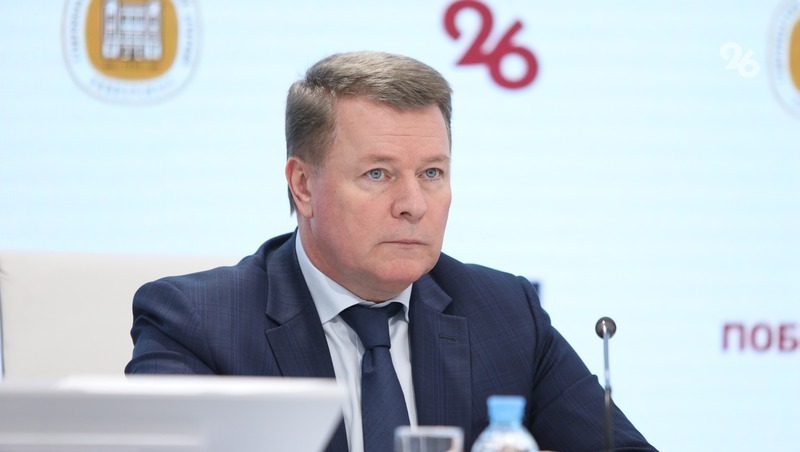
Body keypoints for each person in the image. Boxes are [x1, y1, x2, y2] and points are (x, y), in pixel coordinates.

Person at [126, 51, 655, 452]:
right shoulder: (198, 323)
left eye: (432, 173)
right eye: (378, 174)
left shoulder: (504, 314)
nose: (413, 205)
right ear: (303, 185)